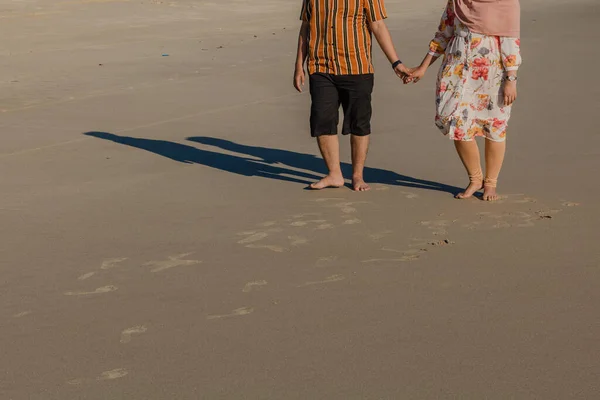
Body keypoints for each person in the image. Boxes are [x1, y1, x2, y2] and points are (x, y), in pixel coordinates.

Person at [406, 0, 521, 200]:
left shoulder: (506, 2)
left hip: (491, 72)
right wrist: (423, 67)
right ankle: (475, 178)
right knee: (454, 120)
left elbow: (510, 41)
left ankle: (490, 184)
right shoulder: (458, 2)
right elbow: (443, 33)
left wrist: (511, 79)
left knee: (494, 125)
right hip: (456, 68)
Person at [294, 0, 410, 191]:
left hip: (356, 66)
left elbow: (378, 25)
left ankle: (357, 175)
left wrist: (396, 63)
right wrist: (299, 64)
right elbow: (306, 26)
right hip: (321, 66)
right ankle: (334, 174)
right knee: (322, 119)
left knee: (359, 122)